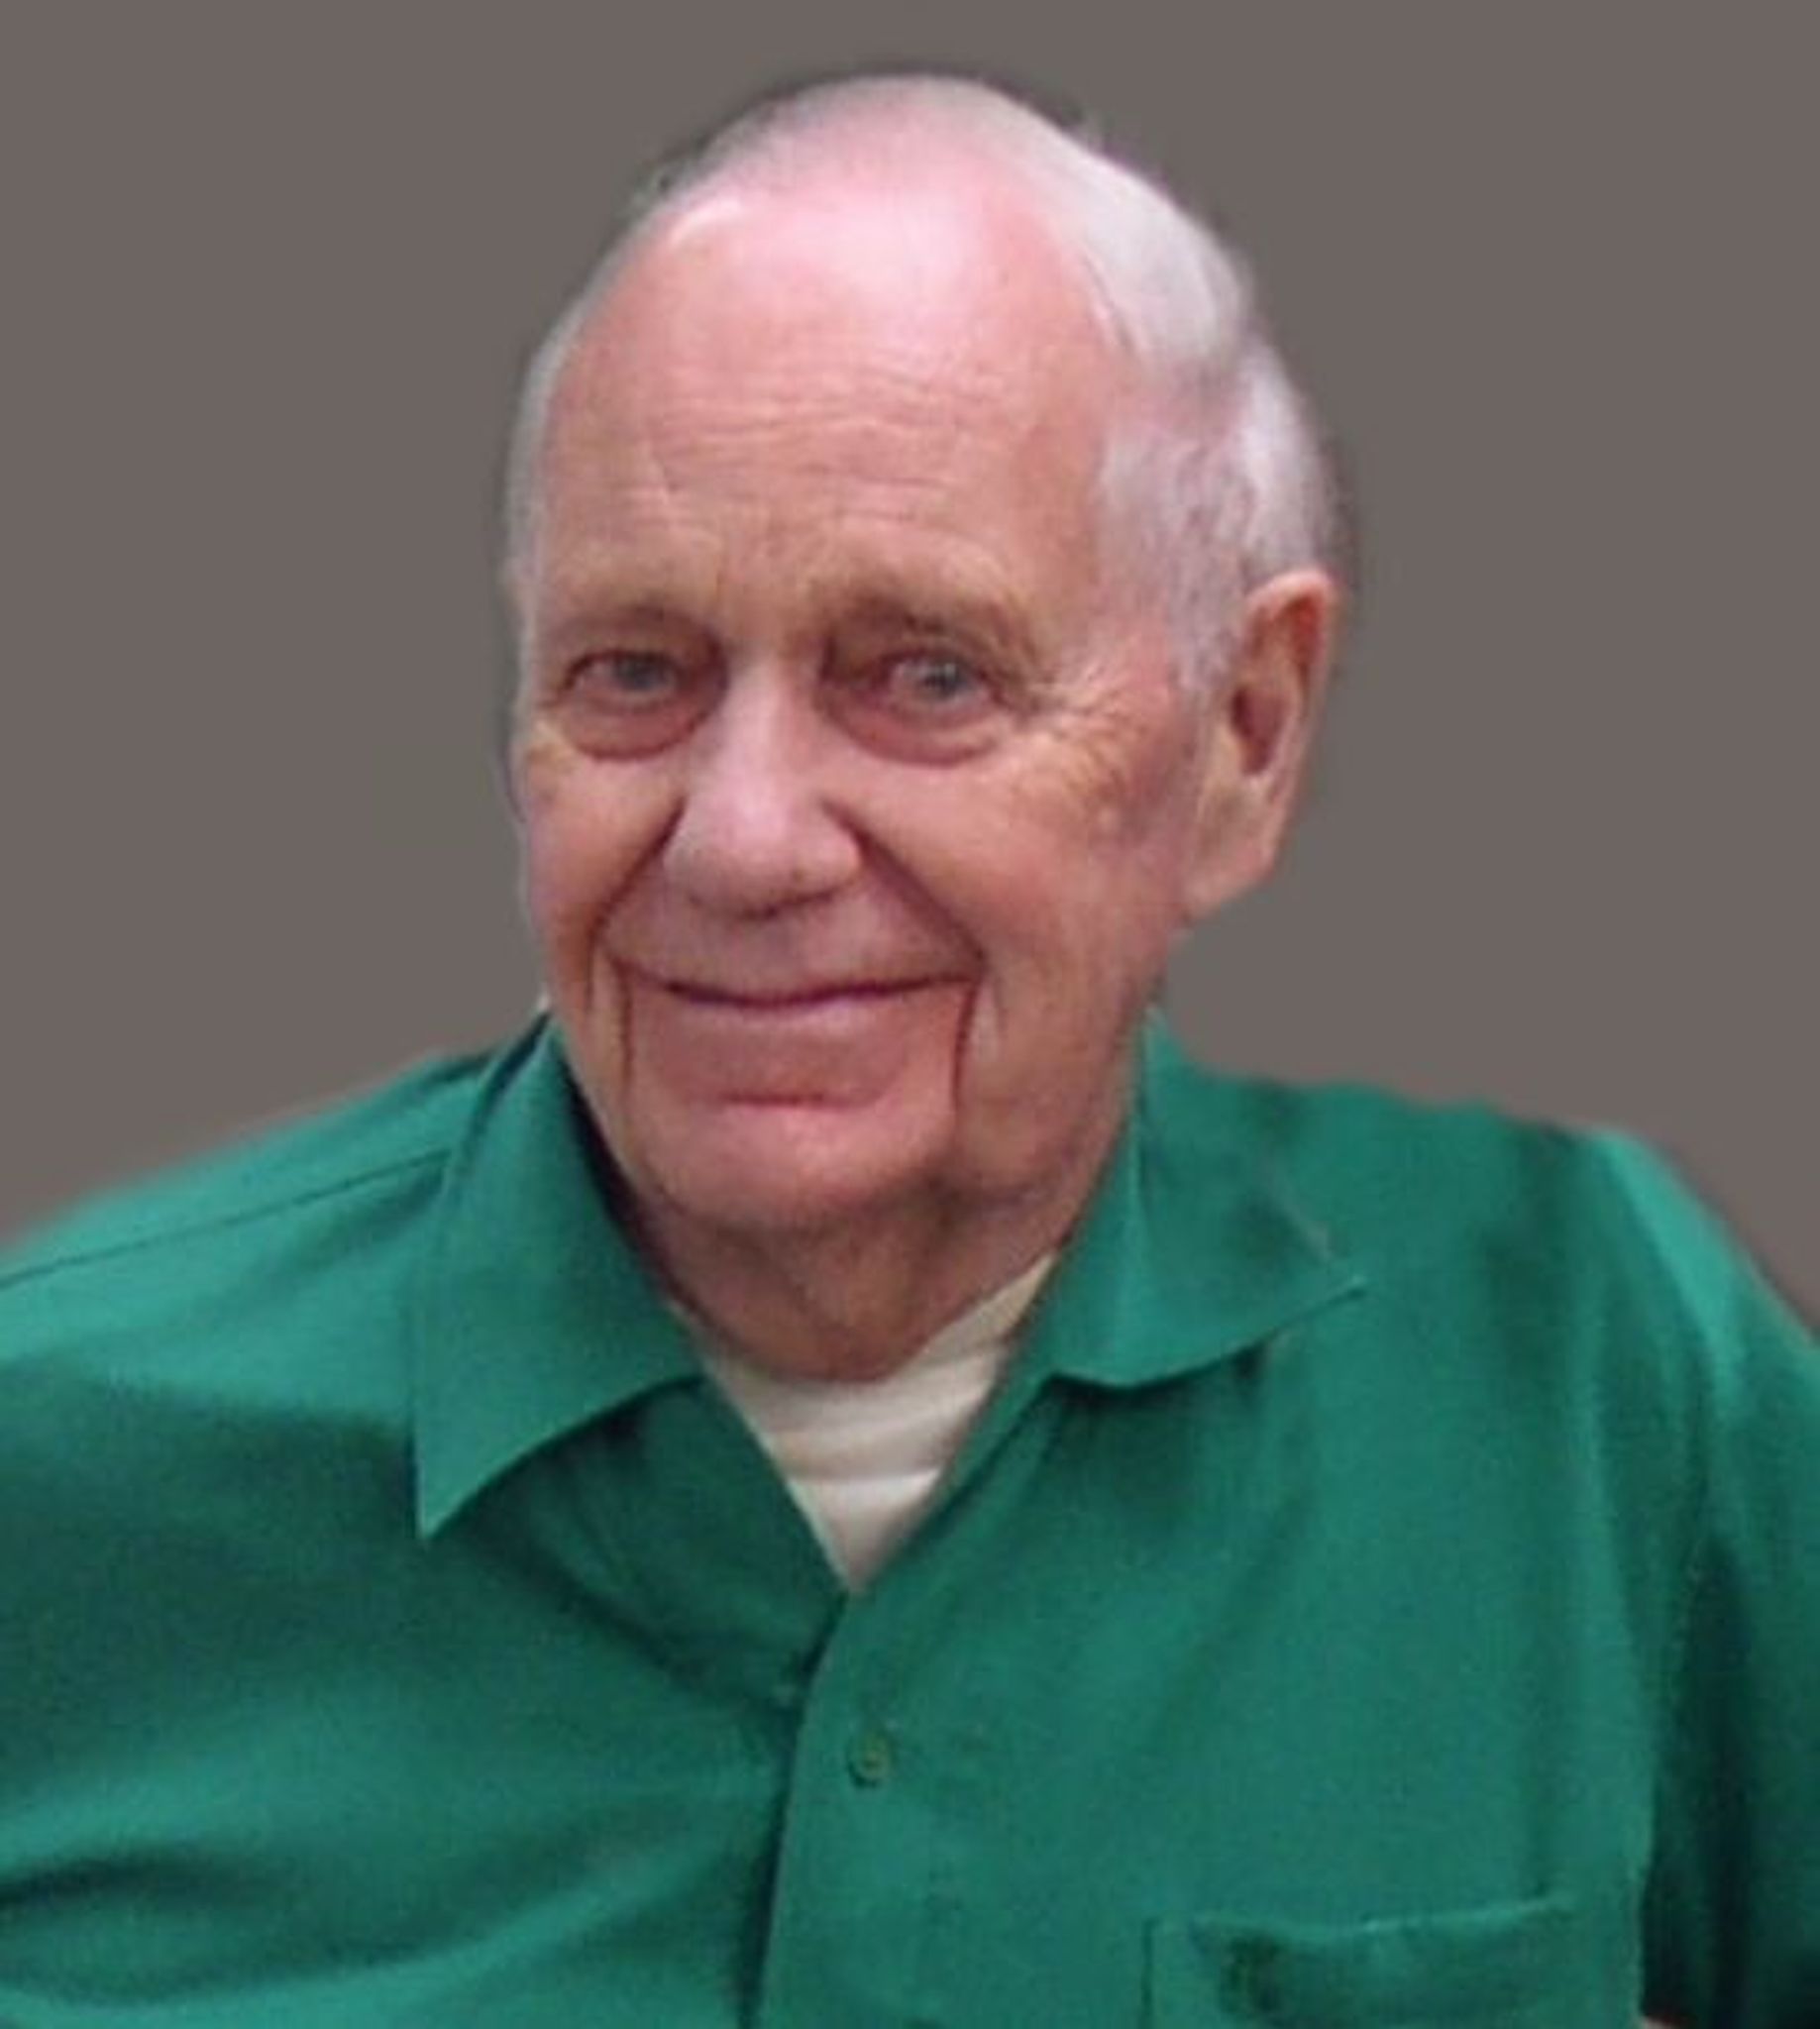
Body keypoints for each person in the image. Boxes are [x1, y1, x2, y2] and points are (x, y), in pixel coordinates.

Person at [1, 68, 1813, 2029]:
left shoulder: (1577, 1369)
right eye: (635, 672)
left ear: (1245, 735)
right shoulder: (66, 1460)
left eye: (925, 677)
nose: (742, 838)